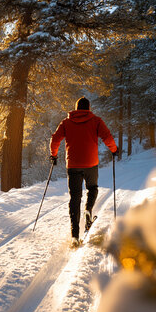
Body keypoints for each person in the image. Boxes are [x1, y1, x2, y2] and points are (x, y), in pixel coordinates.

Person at [50, 97, 118, 245]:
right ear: (88, 108)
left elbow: (55, 139)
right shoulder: (96, 121)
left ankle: (74, 235)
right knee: (92, 188)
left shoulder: (66, 122)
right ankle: (88, 210)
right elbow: (107, 136)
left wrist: (53, 155)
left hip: (73, 164)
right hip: (91, 163)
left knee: (75, 197)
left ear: (76, 108)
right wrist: (114, 150)